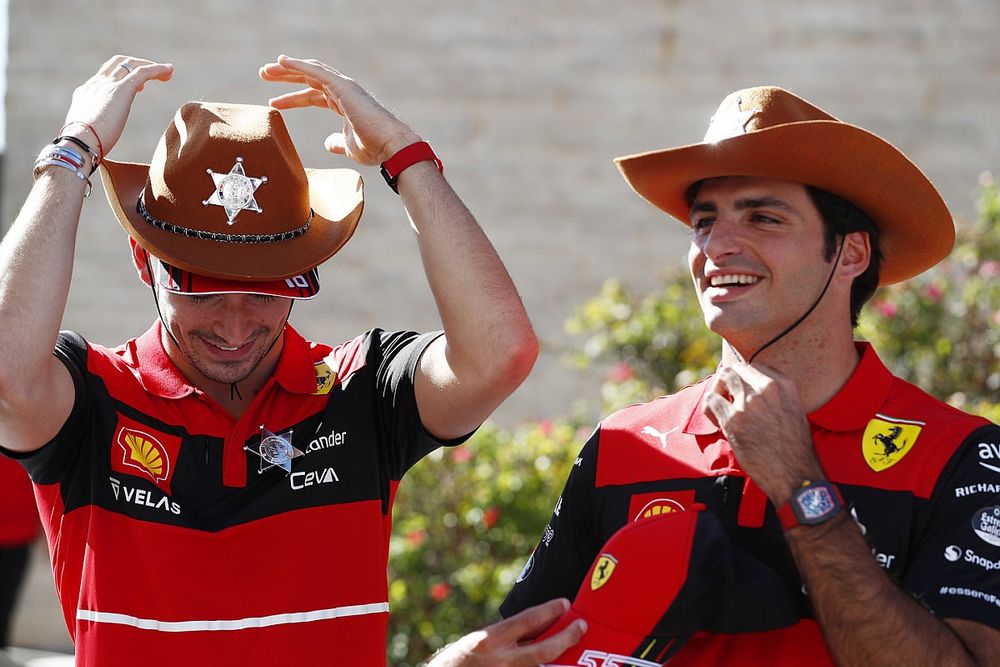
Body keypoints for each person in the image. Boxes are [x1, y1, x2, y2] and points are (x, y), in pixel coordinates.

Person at [0, 53, 567, 666]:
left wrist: (405, 155)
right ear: (144, 263)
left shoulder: (359, 389)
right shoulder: (94, 396)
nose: (235, 325)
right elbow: (6, 376)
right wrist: (72, 152)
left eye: (267, 291)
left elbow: (500, 353)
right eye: (202, 290)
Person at [501, 86, 1000, 665]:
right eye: (704, 221)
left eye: (763, 218)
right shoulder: (621, 444)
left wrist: (798, 483)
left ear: (851, 254)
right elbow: (518, 650)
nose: (717, 245)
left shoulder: (962, 456)